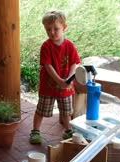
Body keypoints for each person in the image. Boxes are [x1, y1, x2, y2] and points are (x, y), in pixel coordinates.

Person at [29, 9, 80, 144]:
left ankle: (68, 129)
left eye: (56, 29)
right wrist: (60, 81)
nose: (52, 32)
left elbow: (74, 64)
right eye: (48, 29)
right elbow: (47, 66)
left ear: (64, 27)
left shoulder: (70, 45)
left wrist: (68, 79)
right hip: (48, 86)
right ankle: (35, 130)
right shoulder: (46, 46)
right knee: (41, 109)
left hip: (66, 86)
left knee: (66, 111)